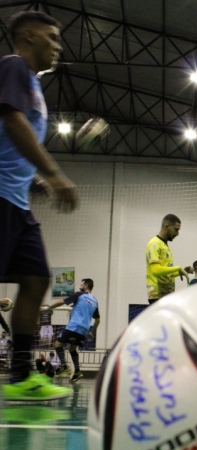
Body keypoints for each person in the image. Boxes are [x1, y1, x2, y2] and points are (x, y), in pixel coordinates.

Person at [1, 11, 78, 401]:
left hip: (16, 201)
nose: (58, 46)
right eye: (52, 37)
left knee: (36, 279)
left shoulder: (32, 84)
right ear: (28, 37)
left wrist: (31, 179)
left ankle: (21, 377)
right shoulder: (13, 66)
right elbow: (12, 121)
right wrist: (53, 174)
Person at [45, 278, 100, 383]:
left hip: (74, 326)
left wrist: (49, 308)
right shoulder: (95, 301)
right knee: (72, 349)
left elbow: (62, 301)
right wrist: (92, 332)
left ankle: (65, 367)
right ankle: (77, 372)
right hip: (84, 330)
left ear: (86, 286)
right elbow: (98, 319)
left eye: (82, 284)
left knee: (57, 344)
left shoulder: (79, 294)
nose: (80, 285)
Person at [146, 214, 191, 304]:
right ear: (166, 226)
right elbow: (155, 270)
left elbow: (165, 274)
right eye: (176, 230)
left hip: (166, 295)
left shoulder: (164, 245)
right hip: (158, 295)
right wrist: (178, 268)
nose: (177, 234)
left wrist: (180, 272)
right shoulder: (154, 244)